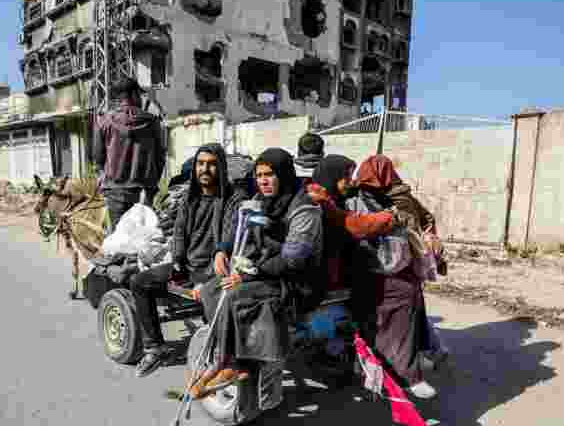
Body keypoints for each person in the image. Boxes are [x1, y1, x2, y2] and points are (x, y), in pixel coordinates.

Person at [193, 148, 324, 398]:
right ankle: (225, 357)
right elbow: (238, 228)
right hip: (263, 271)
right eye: (259, 174)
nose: (263, 180)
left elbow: (292, 259)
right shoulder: (261, 199)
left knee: (232, 295)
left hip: (294, 281)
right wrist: (222, 250)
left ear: (284, 175)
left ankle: (238, 365)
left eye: (269, 175)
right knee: (211, 290)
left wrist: (249, 275)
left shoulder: (304, 210)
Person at [129, 144, 233, 377]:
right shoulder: (190, 197)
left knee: (213, 307)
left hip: (214, 272)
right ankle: (155, 347)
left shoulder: (231, 198)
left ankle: (218, 358)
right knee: (139, 281)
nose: (205, 169)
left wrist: (215, 262)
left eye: (211, 164)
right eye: (200, 164)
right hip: (187, 268)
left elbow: (229, 234)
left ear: (221, 167)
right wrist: (176, 258)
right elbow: (178, 232)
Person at [349, 154, 442, 399]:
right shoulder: (357, 198)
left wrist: (426, 236)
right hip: (372, 268)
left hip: (398, 266)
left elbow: (426, 219)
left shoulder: (399, 198)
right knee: (400, 304)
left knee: (407, 302)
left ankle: (408, 368)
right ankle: (399, 368)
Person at [304, 154, 398, 290]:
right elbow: (355, 225)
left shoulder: (334, 198)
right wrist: (389, 217)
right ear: (333, 177)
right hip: (322, 279)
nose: (350, 182)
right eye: (346, 178)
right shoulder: (319, 200)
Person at [92, 77, 166, 230]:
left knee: (119, 240)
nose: (140, 98)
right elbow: (160, 158)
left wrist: (104, 179)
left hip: (115, 192)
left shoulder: (103, 122)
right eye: (139, 95)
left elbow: (98, 159)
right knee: (144, 239)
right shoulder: (152, 122)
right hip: (144, 193)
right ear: (133, 95)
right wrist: (151, 186)